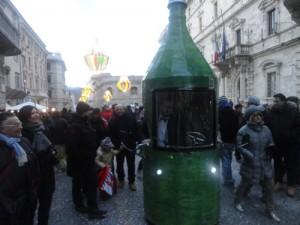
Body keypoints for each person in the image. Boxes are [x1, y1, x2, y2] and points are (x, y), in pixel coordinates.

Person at [234, 106, 280, 222]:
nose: (258, 118)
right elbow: (240, 147)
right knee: (245, 184)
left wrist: (271, 150)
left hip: (265, 163)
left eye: (260, 115)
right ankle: (237, 201)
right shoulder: (244, 130)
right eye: (255, 116)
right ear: (250, 117)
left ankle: (270, 209)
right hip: (251, 163)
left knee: (269, 186)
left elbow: (270, 142)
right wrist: (250, 156)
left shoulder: (266, 129)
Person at [66, 102, 107, 220]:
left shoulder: (84, 122)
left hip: (87, 160)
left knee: (88, 185)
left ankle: (91, 208)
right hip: (81, 162)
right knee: (82, 184)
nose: (91, 113)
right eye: (89, 110)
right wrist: (86, 156)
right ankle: (85, 208)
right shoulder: (75, 125)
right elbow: (72, 147)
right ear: (84, 111)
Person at [18, 106, 56, 225]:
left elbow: (49, 145)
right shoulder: (22, 133)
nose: (35, 115)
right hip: (32, 176)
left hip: (47, 173)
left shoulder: (44, 129)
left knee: (45, 204)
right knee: (29, 208)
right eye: (31, 113)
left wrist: (53, 154)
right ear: (25, 116)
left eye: (36, 112)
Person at [0, 112, 39, 225]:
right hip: (6, 207)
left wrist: (34, 194)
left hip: (27, 201)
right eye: (16, 125)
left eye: (20, 123)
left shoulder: (23, 141)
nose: (20, 127)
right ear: (2, 129)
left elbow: (34, 169)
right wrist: (8, 205)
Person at [265, 93, 300, 197]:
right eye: (273, 101)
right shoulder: (271, 112)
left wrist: (291, 136)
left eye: (277, 101)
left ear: (283, 101)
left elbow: (298, 128)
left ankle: (290, 186)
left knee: (291, 165)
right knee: (277, 164)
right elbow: (268, 125)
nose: (274, 103)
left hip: (291, 144)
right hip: (276, 144)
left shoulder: (293, 112)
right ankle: (278, 182)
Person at [109, 104, 139, 191]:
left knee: (131, 164)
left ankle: (131, 181)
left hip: (130, 146)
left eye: (120, 109)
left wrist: (132, 142)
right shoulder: (112, 120)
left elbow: (136, 131)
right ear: (114, 110)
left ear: (124, 109)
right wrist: (118, 144)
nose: (119, 111)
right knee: (119, 164)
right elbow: (111, 134)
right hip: (119, 147)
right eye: (117, 109)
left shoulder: (131, 119)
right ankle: (121, 179)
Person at [218, 96, 239, 187]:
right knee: (228, 160)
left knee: (224, 160)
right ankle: (227, 178)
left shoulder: (218, 113)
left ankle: (227, 180)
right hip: (231, 141)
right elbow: (237, 128)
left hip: (222, 140)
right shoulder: (233, 113)